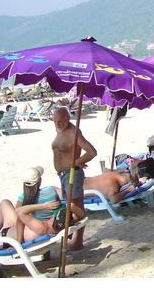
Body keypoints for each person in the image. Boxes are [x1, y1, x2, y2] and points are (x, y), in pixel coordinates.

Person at [0, 166, 85, 248]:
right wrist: (73, 208)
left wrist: (44, 206)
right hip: (23, 227)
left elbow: (19, 216)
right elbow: (81, 215)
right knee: (5, 202)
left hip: (12, 234)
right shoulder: (51, 191)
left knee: (4, 203)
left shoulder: (24, 198)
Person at [51, 106, 97, 250]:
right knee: (69, 206)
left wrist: (78, 161)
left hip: (72, 173)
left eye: (60, 121)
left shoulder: (73, 132)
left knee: (76, 206)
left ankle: (78, 241)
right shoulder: (59, 130)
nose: (57, 124)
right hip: (63, 174)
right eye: (55, 121)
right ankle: (73, 238)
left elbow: (92, 151)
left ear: (67, 119)